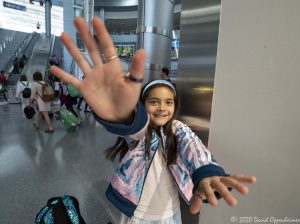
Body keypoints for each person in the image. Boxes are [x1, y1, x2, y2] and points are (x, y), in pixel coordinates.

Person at [50, 17, 256, 223]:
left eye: (168, 102)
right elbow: (135, 128)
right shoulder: (141, 132)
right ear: (143, 104)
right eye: (154, 101)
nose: (162, 108)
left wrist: (207, 172)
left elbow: (193, 147)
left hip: (170, 214)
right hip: (137, 215)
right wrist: (123, 116)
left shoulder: (178, 129)